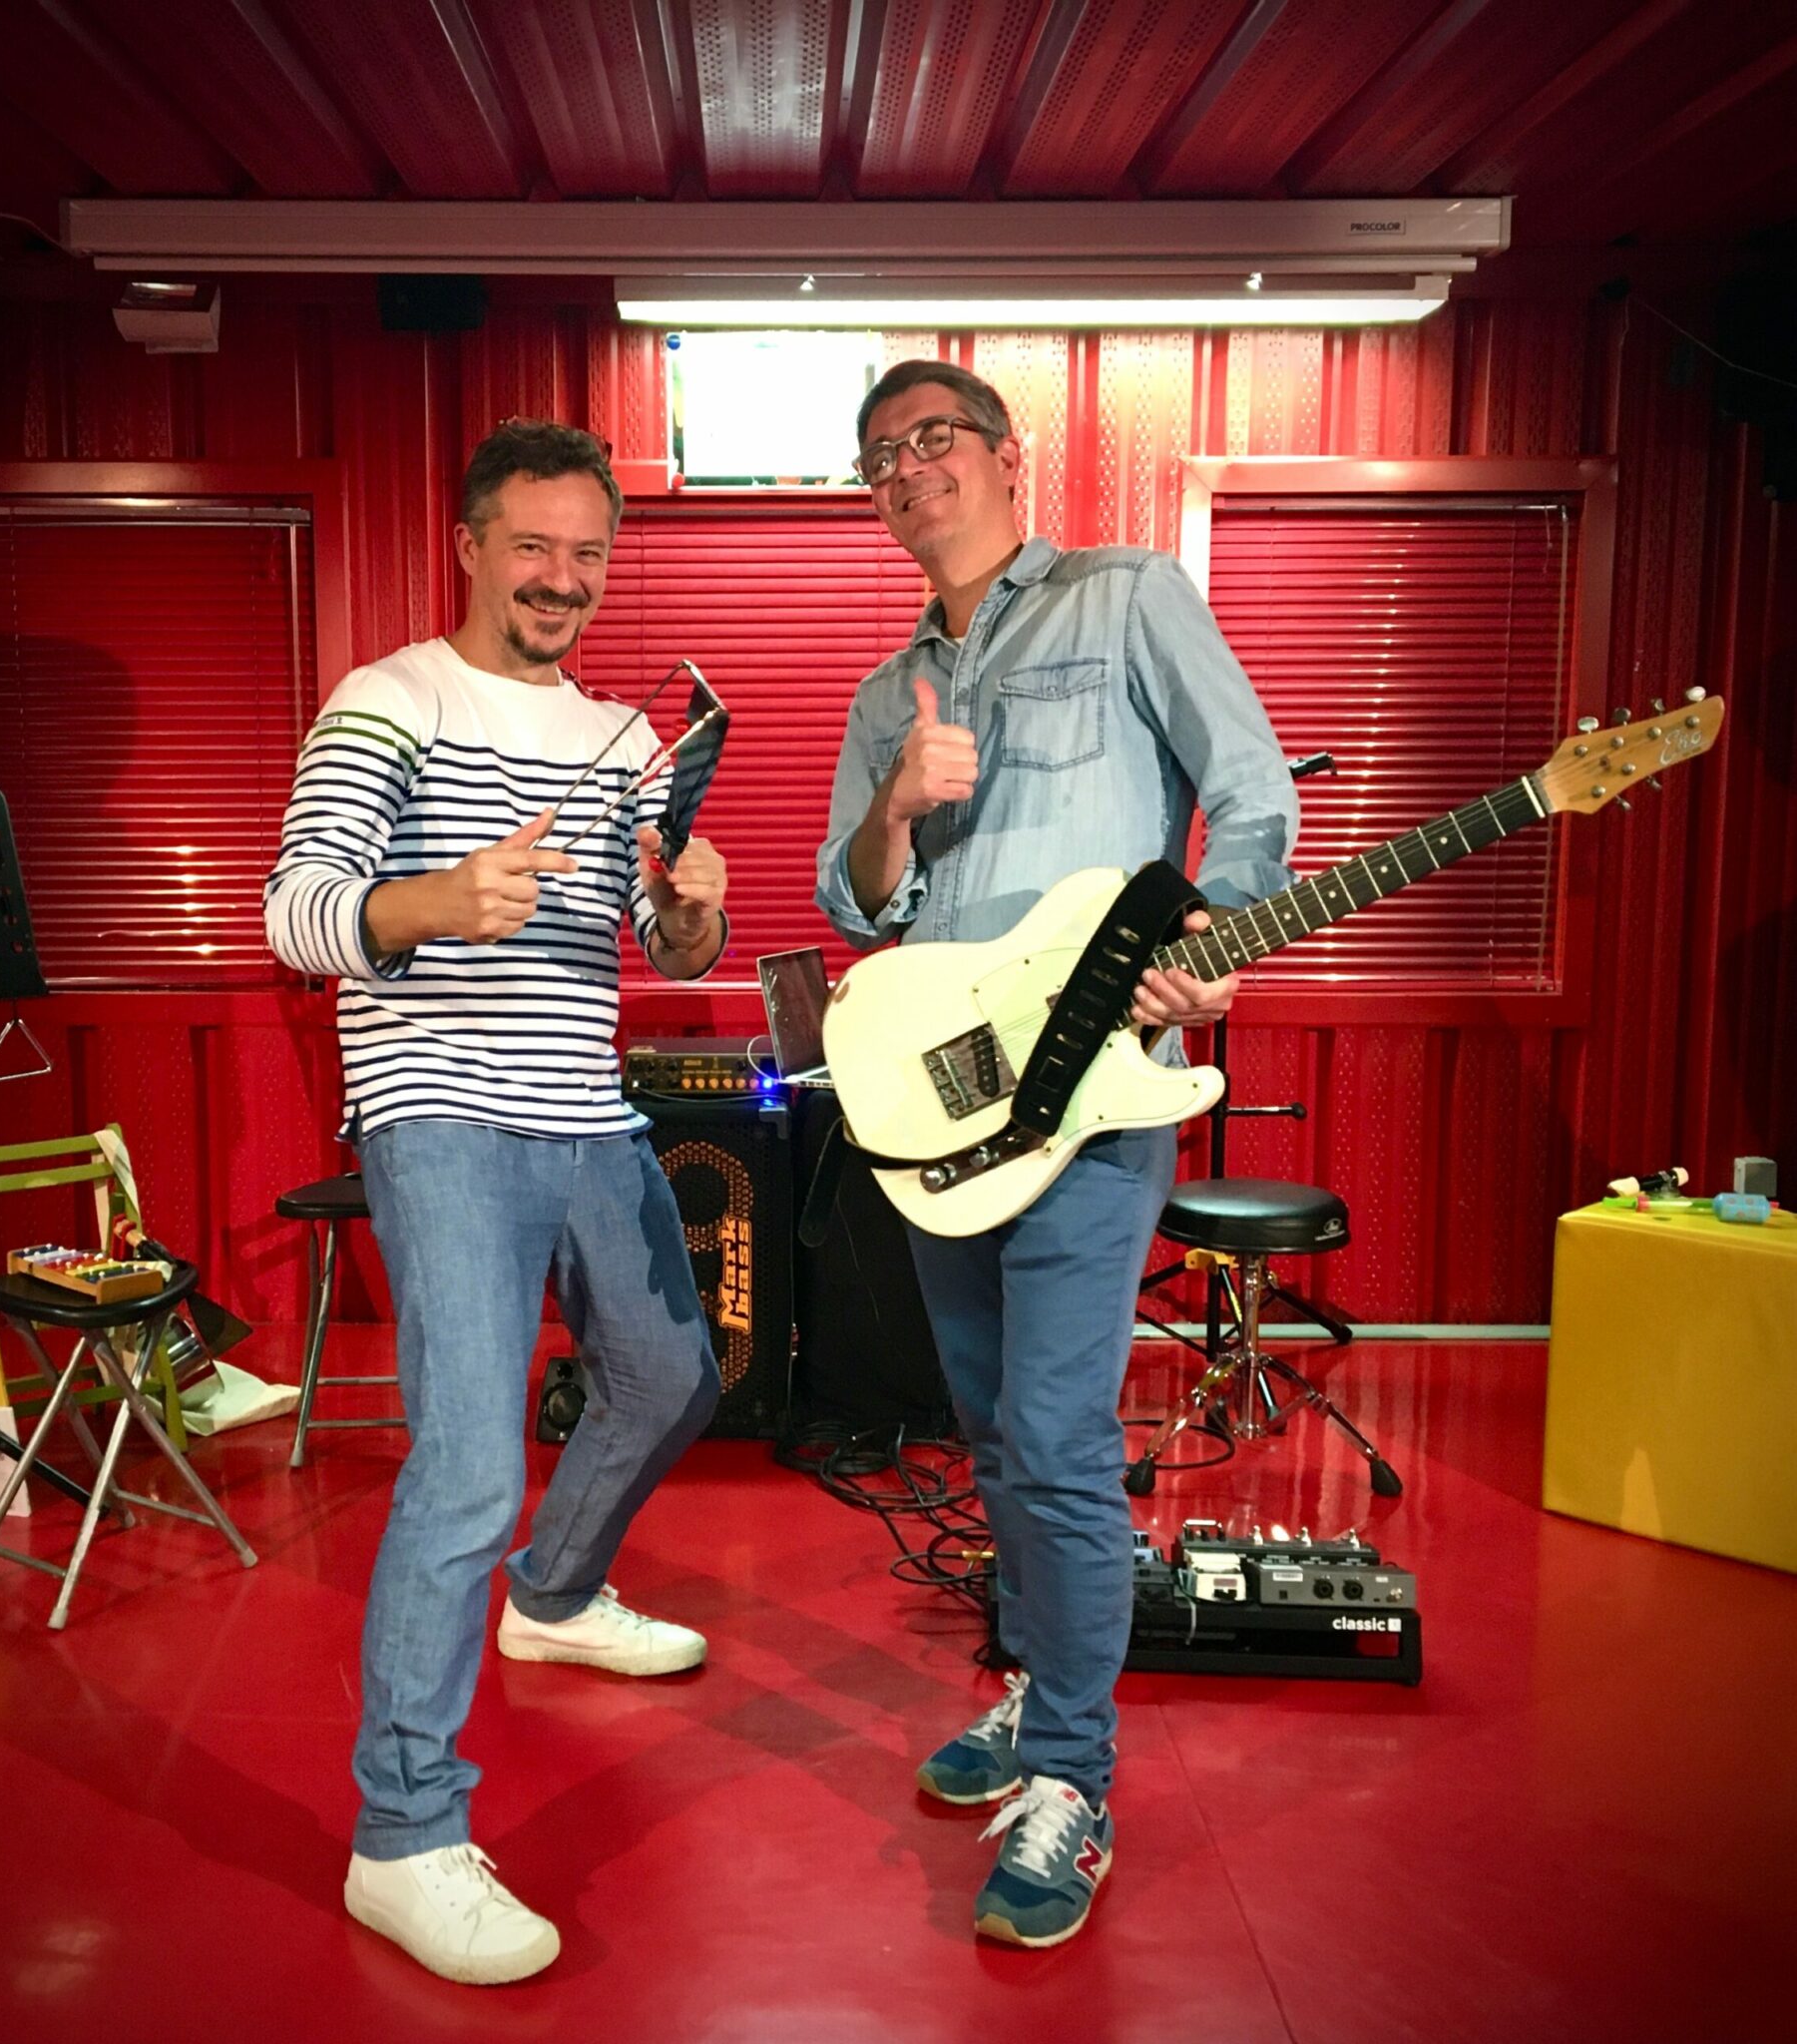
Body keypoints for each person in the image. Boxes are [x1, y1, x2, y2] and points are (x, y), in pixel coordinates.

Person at [815, 361, 1298, 1949]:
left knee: (1058, 1437)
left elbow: (1251, 789)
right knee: (989, 1430)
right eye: (881, 457)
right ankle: (1037, 1687)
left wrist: (1217, 939)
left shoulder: (1126, 595)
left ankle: (1074, 1781)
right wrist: (896, 805)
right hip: (947, 1109)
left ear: (1005, 455)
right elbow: (852, 903)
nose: (909, 470)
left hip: (1097, 1100)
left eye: (934, 440)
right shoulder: (887, 696)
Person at [265, 420, 727, 1987]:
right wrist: (432, 901)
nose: (561, 578)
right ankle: (401, 1838)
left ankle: (556, 1594)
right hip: (442, 1115)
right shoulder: (389, 701)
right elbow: (297, 913)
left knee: (672, 1378)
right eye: (533, 545)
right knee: (467, 1467)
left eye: (588, 553)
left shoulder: (626, 738)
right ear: (469, 544)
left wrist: (692, 907)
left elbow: (656, 949)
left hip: (586, 1114)